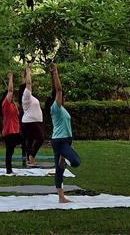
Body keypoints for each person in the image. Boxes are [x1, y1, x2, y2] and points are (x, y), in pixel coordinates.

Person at [48, 62, 81, 204]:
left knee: (59, 170)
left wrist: (51, 74)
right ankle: (65, 157)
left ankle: (61, 198)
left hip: (63, 140)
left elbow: (55, 90)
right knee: (75, 162)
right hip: (60, 141)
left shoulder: (62, 110)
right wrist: (55, 72)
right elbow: (58, 90)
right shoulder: (55, 108)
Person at [21, 64, 45, 167]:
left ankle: (29, 160)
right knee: (40, 138)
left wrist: (25, 74)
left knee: (30, 140)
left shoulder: (30, 96)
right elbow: (29, 83)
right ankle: (31, 157)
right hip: (30, 121)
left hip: (32, 121)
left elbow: (27, 84)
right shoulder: (26, 95)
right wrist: (28, 70)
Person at [0, 70, 23, 175]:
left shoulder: (14, 105)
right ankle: (9, 170)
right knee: (9, 151)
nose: (13, 96)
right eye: (12, 96)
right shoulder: (6, 104)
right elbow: (10, 90)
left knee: (23, 143)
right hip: (9, 132)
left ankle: (28, 158)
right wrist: (10, 78)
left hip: (15, 131)